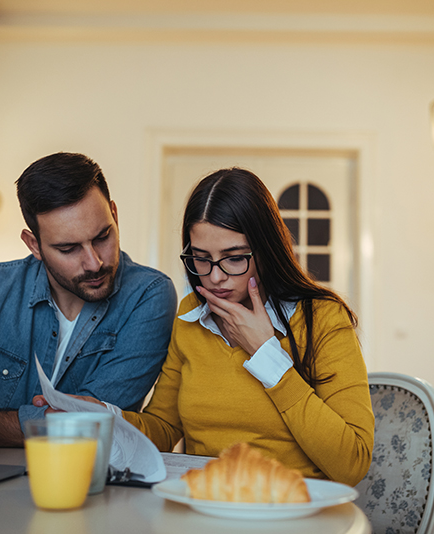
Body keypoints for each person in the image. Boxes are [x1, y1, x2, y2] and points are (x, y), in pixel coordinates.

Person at [37, 167, 374, 486]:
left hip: (293, 507)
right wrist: (105, 418)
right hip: (209, 504)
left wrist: (267, 354)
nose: (214, 277)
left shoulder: (322, 318)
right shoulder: (191, 315)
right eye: (200, 257)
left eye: (234, 258)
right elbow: (165, 427)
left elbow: (352, 464)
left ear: (267, 251)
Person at [0, 152, 177, 457]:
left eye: (103, 236)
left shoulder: (149, 295)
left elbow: (81, 428)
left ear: (114, 215)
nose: (94, 262)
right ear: (33, 244)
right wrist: (37, 421)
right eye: (68, 248)